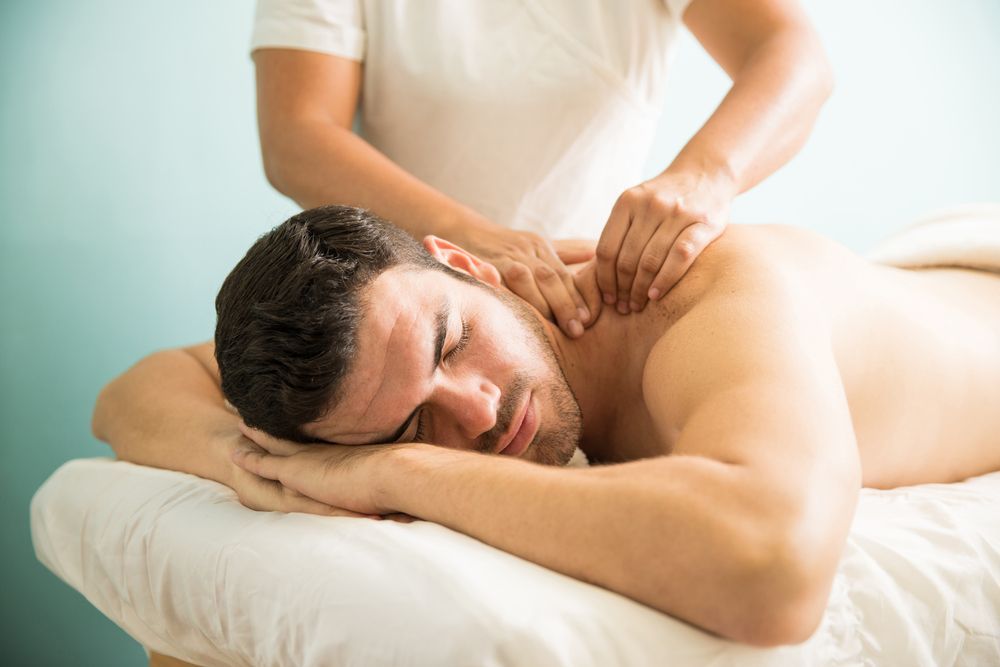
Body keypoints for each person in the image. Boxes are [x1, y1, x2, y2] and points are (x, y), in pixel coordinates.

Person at [93, 205, 1000, 647]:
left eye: (455, 344)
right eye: (412, 425)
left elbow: (774, 568)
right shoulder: (382, 341)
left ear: (465, 264)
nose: (479, 412)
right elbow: (132, 391)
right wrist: (245, 462)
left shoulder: (698, 308)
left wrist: (396, 473)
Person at [251, 0, 834, 338]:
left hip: (590, 307)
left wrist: (705, 176)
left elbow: (794, 55)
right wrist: (477, 241)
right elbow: (297, 135)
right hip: (411, 313)